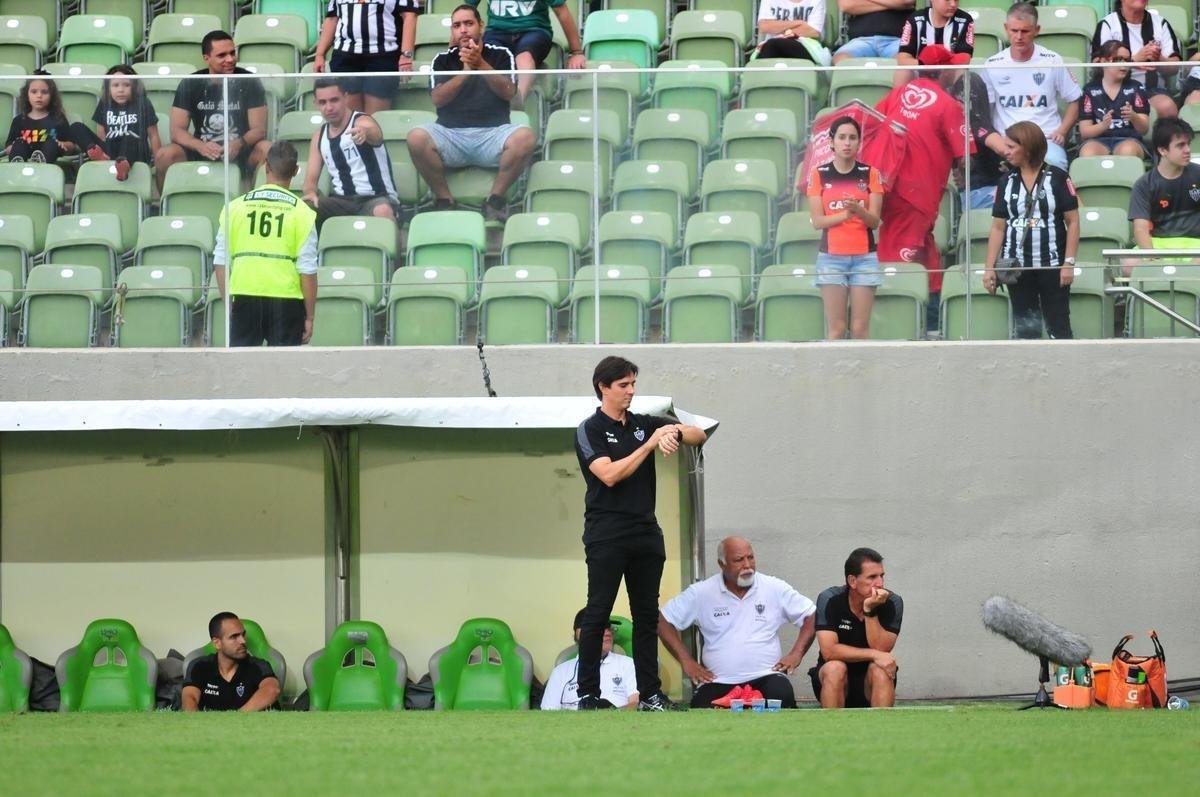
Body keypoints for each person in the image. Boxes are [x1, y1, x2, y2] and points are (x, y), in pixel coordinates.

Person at [574, 355, 707, 711]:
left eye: (633, 384)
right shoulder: (590, 429)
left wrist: (673, 431)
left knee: (646, 614)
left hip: (645, 532)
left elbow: (698, 434)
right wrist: (650, 444)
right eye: (624, 385)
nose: (631, 391)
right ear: (604, 387)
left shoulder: (643, 422)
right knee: (598, 611)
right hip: (606, 533)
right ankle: (587, 694)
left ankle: (650, 694)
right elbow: (610, 474)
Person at [871, 44, 973, 323]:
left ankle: (932, 308)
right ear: (945, 72)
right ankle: (896, 318)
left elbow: (872, 122)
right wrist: (962, 172)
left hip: (890, 183)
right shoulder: (949, 105)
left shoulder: (900, 93)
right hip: (916, 193)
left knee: (925, 248)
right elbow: (965, 155)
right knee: (900, 253)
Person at [406, 5, 536, 221]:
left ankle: (494, 199)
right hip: (450, 135)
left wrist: (481, 64)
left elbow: (509, 93)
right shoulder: (442, 60)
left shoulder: (501, 55)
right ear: (452, 32)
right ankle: (445, 200)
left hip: (494, 134)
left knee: (526, 137)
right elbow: (437, 98)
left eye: (469, 23)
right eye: (457, 26)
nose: (463, 30)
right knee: (416, 137)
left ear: (481, 26)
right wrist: (466, 72)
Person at [658, 537, 816, 709]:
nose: (747, 565)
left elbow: (811, 615)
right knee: (701, 707)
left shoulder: (774, 587)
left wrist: (796, 654)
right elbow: (662, 620)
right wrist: (687, 662)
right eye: (739, 560)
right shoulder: (702, 592)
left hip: (767, 676)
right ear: (722, 564)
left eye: (751, 557)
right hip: (718, 681)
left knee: (782, 696)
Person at [213, 141, 319, 347]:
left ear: (265, 166)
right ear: (296, 171)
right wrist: (310, 317)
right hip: (286, 300)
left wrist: (228, 304)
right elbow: (307, 270)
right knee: (283, 372)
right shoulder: (303, 213)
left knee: (242, 371)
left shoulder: (235, 208)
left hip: (245, 295)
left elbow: (220, 260)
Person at [983, 121, 1080, 339]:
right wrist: (989, 268)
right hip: (1017, 268)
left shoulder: (1058, 178)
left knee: (1059, 327)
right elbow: (998, 227)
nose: (1005, 151)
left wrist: (1069, 263)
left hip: (1052, 266)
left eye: (1011, 147)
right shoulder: (1005, 182)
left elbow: (1073, 222)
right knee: (1026, 330)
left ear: (1027, 148)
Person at [155, 30, 273, 193]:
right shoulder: (191, 83)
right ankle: (166, 209)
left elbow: (259, 130)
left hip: (241, 149)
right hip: (202, 148)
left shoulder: (249, 81)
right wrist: (200, 146)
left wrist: (238, 144)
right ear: (206, 58)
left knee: (267, 149)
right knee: (164, 155)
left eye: (232, 53)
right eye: (222, 55)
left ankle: (255, 204)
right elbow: (176, 131)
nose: (230, 59)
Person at [807, 115, 884, 340]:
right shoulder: (818, 174)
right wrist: (846, 213)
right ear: (831, 142)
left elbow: (875, 221)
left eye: (852, 138)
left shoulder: (870, 173)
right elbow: (817, 222)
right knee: (836, 330)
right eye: (841, 137)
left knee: (860, 330)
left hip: (864, 258)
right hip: (831, 258)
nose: (847, 143)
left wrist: (859, 211)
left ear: (859, 143)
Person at [981, 3, 1082, 171]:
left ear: (1037, 30)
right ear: (1006, 28)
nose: (1019, 36)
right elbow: (987, 111)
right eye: (1014, 31)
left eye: (1025, 31)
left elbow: (1075, 99)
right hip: (1007, 142)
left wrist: (1062, 131)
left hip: (1044, 140)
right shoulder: (992, 65)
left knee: (1055, 168)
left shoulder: (1052, 60)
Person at [809, 547, 903, 709]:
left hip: (871, 681)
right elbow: (829, 652)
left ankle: (883, 731)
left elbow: (882, 648)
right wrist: (874, 654)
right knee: (835, 668)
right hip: (835, 680)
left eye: (882, 576)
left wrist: (870, 610)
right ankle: (831, 731)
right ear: (852, 581)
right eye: (872, 577)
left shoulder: (893, 602)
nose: (880, 583)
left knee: (880, 669)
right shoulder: (829, 599)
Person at [302, 78, 400, 226]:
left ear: (345, 98)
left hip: (375, 198)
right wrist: (310, 192)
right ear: (316, 103)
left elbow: (376, 134)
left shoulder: (361, 121)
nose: (328, 107)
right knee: (304, 209)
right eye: (322, 102)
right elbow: (310, 181)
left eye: (334, 100)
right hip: (340, 201)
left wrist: (365, 132)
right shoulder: (319, 136)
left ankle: (393, 248)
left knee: (382, 211)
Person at [464, 0, 587, 103]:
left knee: (524, 57)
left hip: (534, 31)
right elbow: (466, 12)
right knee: (491, 59)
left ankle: (517, 103)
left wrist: (576, 52)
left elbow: (562, 12)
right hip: (497, 32)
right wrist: (453, 47)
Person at [314, 0, 421, 114]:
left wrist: (406, 55)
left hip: (382, 55)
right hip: (345, 56)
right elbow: (332, 19)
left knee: (375, 117)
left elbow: (410, 16)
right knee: (351, 117)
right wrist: (319, 54)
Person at [1127, 117, 1200, 274]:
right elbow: (1140, 228)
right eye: (1180, 145)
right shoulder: (1144, 184)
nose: (1187, 150)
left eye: (1188, 144)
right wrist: (1151, 258)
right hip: (1159, 243)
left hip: (1195, 244)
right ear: (1162, 150)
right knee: (1127, 264)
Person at [1091, 0, 1182, 120]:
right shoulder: (1108, 24)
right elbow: (1098, 65)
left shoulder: (1160, 23)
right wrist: (1133, 60)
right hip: (1115, 89)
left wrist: (1159, 59)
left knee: (1167, 107)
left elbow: (1175, 67)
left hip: (1151, 90)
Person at [540, 609, 639, 710]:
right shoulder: (560, 672)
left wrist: (611, 714)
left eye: (608, 628)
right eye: (600, 628)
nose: (608, 633)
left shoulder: (628, 664)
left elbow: (636, 703)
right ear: (581, 636)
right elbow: (548, 713)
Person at [181, 612, 280, 712]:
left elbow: (272, 690)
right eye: (234, 636)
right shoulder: (199, 666)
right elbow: (189, 698)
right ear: (217, 643)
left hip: (251, 726)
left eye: (243, 634)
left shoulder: (258, 665)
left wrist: (236, 720)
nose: (243, 641)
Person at [4, 75, 108, 166]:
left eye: (44, 92)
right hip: (25, 152)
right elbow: (8, 147)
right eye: (34, 92)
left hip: (50, 154)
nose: (39, 95)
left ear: (51, 96)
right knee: (19, 143)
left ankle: (41, 163)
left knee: (51, 143)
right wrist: (17, 146)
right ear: (27, 95)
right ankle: (17, 164)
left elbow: (71, 144)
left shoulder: (58, 118)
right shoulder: (19, 120)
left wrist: (62, 144)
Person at [950, 56, 1009, 210]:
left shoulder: (955, 124)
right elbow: (1004, 149)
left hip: (980, 192)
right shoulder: (975, 126)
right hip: (979, 195)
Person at [1078, 41, 1150, 159]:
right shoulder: (1090, 90)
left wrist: (1134, 117)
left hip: (1129, 140)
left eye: (1127, 60)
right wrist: (1103, 126)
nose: (1123, 65)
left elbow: (1144, 129)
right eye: (1117, 59)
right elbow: (1085, 132)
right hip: (1097, 141)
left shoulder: (1137, 87)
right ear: (1103, 61)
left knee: (1128, 151)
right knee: (1088, 153)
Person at [89, 64, 160, 182]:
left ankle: (123, 166)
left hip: (135, 150)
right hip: (111, 150)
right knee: (77, 127)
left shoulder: (143, 103)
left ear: (134, 86)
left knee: (129, 136)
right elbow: (101, 135)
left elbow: (153, 135)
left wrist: (158, 162)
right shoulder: (104, 103)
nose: (120, 90)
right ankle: (104, 160)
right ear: (108, 88)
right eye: (115, 85)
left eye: (126, 85)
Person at [895, 0, 975, 84]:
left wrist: (941, 69)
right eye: (947, 0)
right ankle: (900, 97)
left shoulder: (965, 20)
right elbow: (902, 59)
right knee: (902, 73)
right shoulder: (915, 19)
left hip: (948, 73)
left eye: (956, 0)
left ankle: (953, 97)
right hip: (921, 72)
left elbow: (965, 59)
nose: (953, 4)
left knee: (961, 72)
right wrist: (927, 66)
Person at [833, 0, 914, 64]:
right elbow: (845, 5)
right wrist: (894, 4)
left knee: (905, 64)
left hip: (897, 40)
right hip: (860, 40)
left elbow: (906, 1)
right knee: (841, 60)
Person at [755, 0, 832, 66]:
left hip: (805, 45)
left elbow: (813, 31)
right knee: (772, 46)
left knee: (775, 44)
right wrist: (798, 23)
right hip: (772, 46)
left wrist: (777, 28)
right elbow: (764, 26)